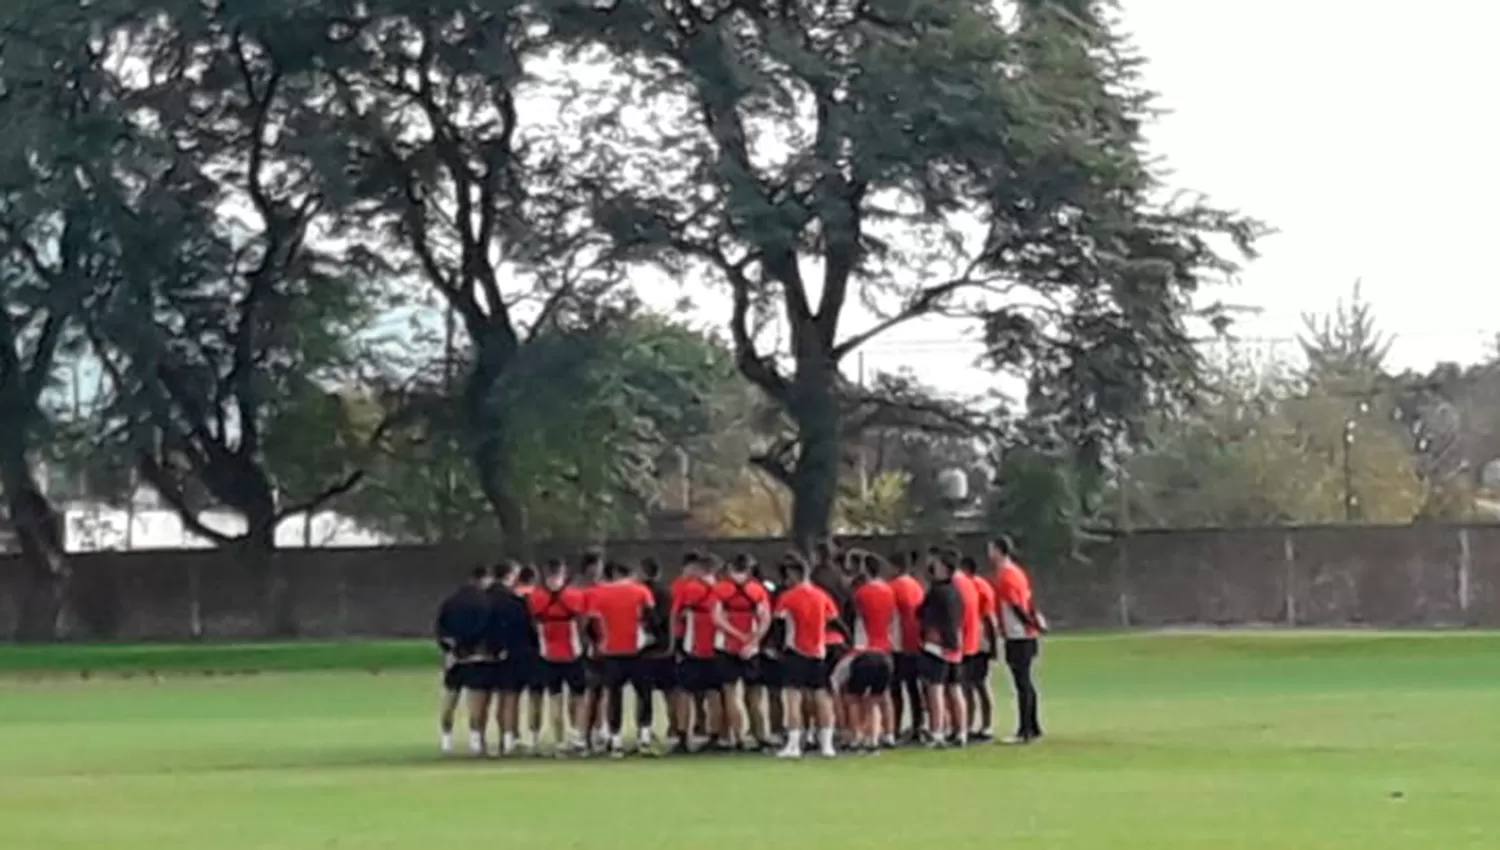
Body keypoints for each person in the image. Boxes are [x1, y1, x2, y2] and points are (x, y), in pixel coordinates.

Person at [772, 552, 841, 759]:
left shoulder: (788, 597)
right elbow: (833, 619)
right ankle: (827, 745)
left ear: (795, 574)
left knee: (793, 698)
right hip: (818, 651)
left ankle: (794, 745)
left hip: (795, 651)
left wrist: (776, 647)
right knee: (822, 697)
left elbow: (779, 624)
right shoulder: (822, 596)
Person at [587, 560, 657, 757]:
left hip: (611, 651)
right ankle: (644, 737)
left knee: (614, 696)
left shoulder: (599, 593)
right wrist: (651, 637)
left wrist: (597, 642)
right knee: (644, 694)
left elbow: (591, 624)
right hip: (637, 649)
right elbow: (652, 619)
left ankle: (615, 739)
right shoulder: (641, 591)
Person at [527, 559, 591, 755]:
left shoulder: (535, 597)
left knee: (555, 699)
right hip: (573, 652)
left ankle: (560, 741)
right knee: (579, 697)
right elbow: (583, 621)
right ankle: (579, 738)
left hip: (548, 654)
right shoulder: (575, 595)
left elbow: (532, 622)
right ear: (563, 572)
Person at [987, 536, 1046, 744]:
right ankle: (1033, 726)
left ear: (999, 551)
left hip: (1017, 634)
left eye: (991, 549)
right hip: (1023, 633)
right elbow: (1027, 601)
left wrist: (1028, 624)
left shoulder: (1006, 575)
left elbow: (1015, 605)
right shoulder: (1018, 573)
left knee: (1022, 682)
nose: (989, 553)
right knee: (1026, 681)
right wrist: (1034, 623)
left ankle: (1025, 730)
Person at [713, 553, 772, 750]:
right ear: (749, 570)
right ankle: (760, 735)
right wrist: (753, 639)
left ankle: (737, 737)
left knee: (730, 693)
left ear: (730, 569)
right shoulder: (757, 589)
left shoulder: (720, 589)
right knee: (754, 694)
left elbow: (716, 618)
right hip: (751, 647)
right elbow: (765, 619)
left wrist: (736, 635)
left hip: (726, 645)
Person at [434, 565, 496, 755]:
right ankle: (475, 742)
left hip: (454, 659)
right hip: (476, 657)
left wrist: (450, 650)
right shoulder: (486, 602)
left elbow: (440, 629)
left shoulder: (450, 602)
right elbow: (486, 628)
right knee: (475, 703)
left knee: (450, 701)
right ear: (484, 579)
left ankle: (446, 741)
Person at [670, 550, 722, 753]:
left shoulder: (689, 588)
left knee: (684, 692)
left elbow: (676, 616)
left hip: (692, 646)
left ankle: (683, 735)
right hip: (716, 646)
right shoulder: (723, 589)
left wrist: (674, 642)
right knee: (713, 693)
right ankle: (715, 735)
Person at [485, 561, 536, 757]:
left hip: (492, 652)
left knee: (501, 697)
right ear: (510, 574)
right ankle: (509, 739)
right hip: (514, 651)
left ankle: (504, 737)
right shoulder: (512, 600)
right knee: (511, 697)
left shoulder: (485, 596)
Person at [850, 551, 899, 748]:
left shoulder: (861, 593)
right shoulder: (889, 591)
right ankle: (888, 734)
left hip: (867, 649)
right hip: (885, 647)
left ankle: (860, 735)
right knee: (883, 695)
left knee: (857, 696)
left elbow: (859, 620)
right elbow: (893, 619)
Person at [917, 547, 964, 749]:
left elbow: (920, 612)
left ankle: (937, 731)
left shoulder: (937, 592)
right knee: (954, 688)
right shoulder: (956, 591)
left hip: (936, 644)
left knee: (935, 689)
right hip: (954, 644)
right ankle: (960, 731)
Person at [634, 556, 674, 752]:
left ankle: (644, 731)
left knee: (644, 693)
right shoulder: (666, 591)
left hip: (645, 647)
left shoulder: (641, 592)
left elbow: (651, 618)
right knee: (669, 691)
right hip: (665, 647)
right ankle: (673, 729)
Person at [888, 550, 927, 743]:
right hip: (917, 641)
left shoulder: (892, 587)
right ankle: (918, 725)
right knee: (914, 687)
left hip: (899, 643)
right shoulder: (917, 586)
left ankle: (894, 727)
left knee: (896, 688)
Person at [960, 554, 1000, 742]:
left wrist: (993, 645)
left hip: (979, 641)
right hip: (969, 641)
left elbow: (989, 618)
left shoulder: (978, 587)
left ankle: (987, 724)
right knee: (966, 684)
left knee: (980, 684)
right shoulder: (969, 586)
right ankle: (969, 723)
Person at [829, 645, 894, 753]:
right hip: (885, 661)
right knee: (874, 702)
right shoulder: (852, 656)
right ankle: (873, 740)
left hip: (865, 663)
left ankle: (856, 738)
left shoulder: (839, 671)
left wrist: (843, 729)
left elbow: (838, 702)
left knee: (853, 701)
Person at [575, 549, 608, 752]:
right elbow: (581, 621)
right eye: (596, 566)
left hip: (606, 645)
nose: (598, 570)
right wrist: (588, 642)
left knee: (603, 690)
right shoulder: (581, 591)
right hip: (591, 646)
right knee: (590, 690)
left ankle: (599, 729)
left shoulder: (605, 589)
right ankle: (584, 732)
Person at [948, 546, 981, 748]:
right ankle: (963, 727)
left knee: (953, 688)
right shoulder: (968, 583)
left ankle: (959, 728)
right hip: (968, 641)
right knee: (962, 687)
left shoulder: (955, 585)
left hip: (956, 644)